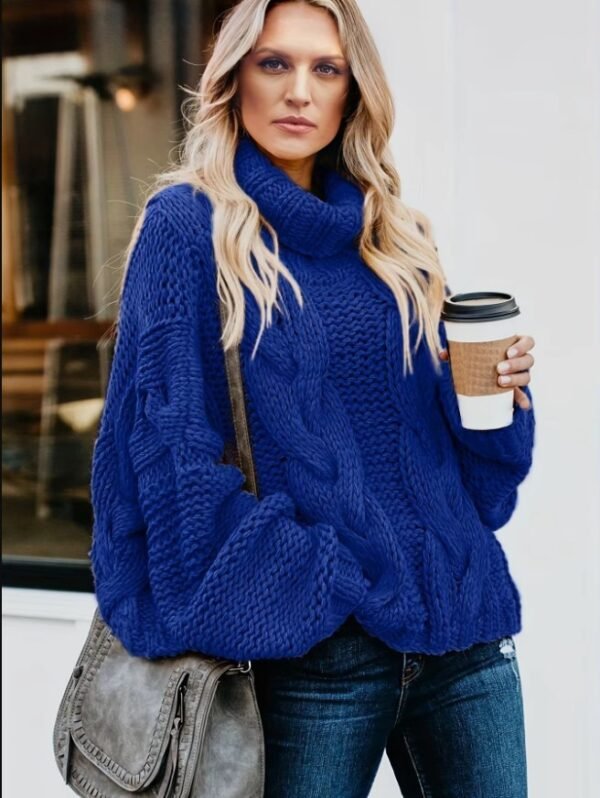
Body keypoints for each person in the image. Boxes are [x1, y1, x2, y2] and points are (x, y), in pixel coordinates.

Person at [89, 0, 536, 795]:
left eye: (325, 69)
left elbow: (473, 485)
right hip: (320, 654)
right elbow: (166, 458)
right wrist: (319, 578)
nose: (300, 90)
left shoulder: (394, 235)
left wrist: (500, 402)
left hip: (466, 633)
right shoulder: (189, 227)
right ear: (236, 80)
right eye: (275, 64)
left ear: (352, 92)